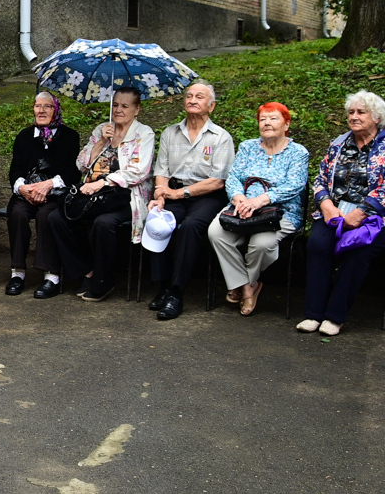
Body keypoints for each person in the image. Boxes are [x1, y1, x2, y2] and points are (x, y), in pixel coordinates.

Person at [43, 86, 155, 301]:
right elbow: (81, 165)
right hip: (91, 197)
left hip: (123, 197)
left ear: (137, 109)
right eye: (115, 105)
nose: (118, 110)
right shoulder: (102, 130)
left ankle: (104, 280)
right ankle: (88, 271)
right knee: (56, 218)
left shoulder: (144, 134)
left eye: (125, 106)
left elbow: (138, 171)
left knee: (103, 224)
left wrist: (103, 183)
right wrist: (102, 142)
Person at [207, 102, 309, 316]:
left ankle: (245, 283)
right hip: (243, 207)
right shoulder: (247, 147)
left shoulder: (298, 152)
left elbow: (295, 184)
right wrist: (239, 199)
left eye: (273, 118)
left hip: (280, 211)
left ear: (286, 124)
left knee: (262, 244)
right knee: (216, 233)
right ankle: (247, 286)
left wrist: (261, 200)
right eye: (263, 119)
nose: (267, 123)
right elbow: (233, 177)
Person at [144, 81, 235, 320]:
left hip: (207, 197)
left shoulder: (221, 137)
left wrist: (179, 194)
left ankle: (176, 293)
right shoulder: (170, 133)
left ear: (211, 106)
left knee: (191, 227)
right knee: (158, 221)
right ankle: (162, 286)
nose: (192, 100)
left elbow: (218, 181)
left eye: (199, 97)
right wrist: (160, 195)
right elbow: (161, 170)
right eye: (189, 96)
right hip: (173, 193)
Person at [298, 91, 385, 336]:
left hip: (375, 219)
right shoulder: (338, 144)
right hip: (335, 213)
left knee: (359, 251)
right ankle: (313, 314)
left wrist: (363, 212)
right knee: (317, 245)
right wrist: (325, 204)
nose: (354, 117)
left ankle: (334, 316)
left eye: (361, 112)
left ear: (376, 118)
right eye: (351, 112)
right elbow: (320, 178)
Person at [4, 92, 81, 296]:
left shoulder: (70, 137)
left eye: (47, 106)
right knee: (18, 213)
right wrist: (22, 188)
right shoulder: (24, 136)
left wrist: (48, 185)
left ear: (56, 109)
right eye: (38, 106)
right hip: (28, 194)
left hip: (55, 194)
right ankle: (17, 272)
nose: (41, 110)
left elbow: (73, 173)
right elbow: (15, 169)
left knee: (46, 215)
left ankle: (51, 276)